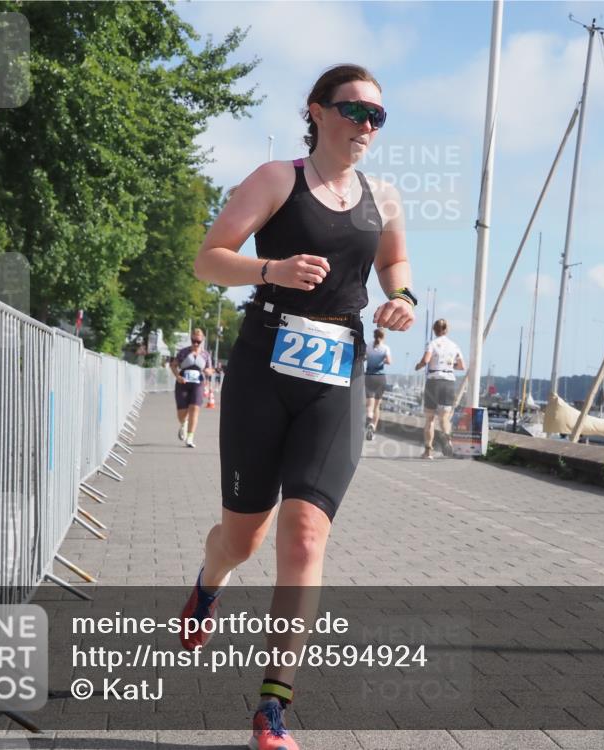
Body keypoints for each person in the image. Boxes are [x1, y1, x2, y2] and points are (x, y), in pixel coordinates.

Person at [185, 64, 416, 750]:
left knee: (306, 534)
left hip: (335, 375)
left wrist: (402, 300)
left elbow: (395, 266)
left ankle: (273, 707)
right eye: (354, 110)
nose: (366, 126)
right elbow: (209, 258)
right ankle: (207, 583)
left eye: (378, 116)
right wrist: (270, 271)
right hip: (263, 366)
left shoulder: (386, 197)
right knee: (243, 538)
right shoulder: (275, 179)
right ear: (317, 111)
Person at [414, 319, 465, 459]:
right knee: (444, 418)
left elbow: (425, 360)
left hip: (434, 382)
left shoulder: (432, 344)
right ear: (446, 330)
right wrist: (449, 367)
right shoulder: (454, 346)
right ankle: (448, 440)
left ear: (434, 330)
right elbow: (461, 366)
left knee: (430, 419)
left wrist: (418, 366)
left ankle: (428, 451)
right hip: (448, 382)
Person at [170, 328, 215, 447]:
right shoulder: (183, 352)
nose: (195, 343)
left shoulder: (206, 355)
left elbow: (211, 370)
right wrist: (178, 376)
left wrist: (208, 371)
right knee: (182, 413)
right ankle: (183, 423)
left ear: (202, 341)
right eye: (193, 340)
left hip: (198, 383)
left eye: (198, 342)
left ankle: (190, 437)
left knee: (194, 409)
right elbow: (173, 365)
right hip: (183, 383)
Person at [364, 327, 391, 440]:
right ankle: (373, 427)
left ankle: (369, 420)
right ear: (383, 336)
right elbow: (389, 361)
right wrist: (381, 360)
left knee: (369, 405)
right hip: (380, 378)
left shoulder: (368, 346)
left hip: (369, 376)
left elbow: (364, 358)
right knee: (377, 406)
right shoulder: (385, 348)